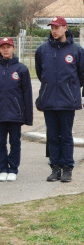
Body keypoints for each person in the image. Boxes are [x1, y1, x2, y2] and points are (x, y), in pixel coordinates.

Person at [35, 16, 84, 182]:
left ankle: (67, 168)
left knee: (65, 136)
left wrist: (71, 89)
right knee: (52, 136)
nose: (54, 30)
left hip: (67, 101)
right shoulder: (42, 50)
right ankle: (55, 167)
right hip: (49, 100)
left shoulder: (76, 51)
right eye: (52, 27)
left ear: (65, 28)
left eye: (57, 27)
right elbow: (40, 73)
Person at [0, 38, 33, 182]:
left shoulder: (21, 69)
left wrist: (28, 117)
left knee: (15, 143)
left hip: (15, 113)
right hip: (0, 114)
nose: (5, 50)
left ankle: (13, 168)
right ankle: (2, 168)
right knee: (0, 143)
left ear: (14, 49)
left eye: (8, 47)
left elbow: (27, 94)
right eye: (3, 47)